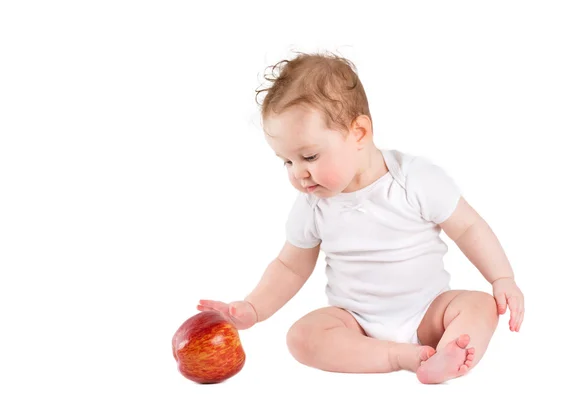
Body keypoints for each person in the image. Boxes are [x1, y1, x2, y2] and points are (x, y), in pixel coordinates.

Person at [197, 51, 525, 384]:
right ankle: (401, 357)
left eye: (308, 156)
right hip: (355, 324)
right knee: (301, 337)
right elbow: (289, 267)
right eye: (287, 162)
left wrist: (502, 278)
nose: (299, 174)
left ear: (359, 133)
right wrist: (253, 308)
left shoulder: (414, 179)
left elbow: (469, 227)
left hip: (430, 311)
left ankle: (451, 348)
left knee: (479, 305)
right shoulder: (312, 206)